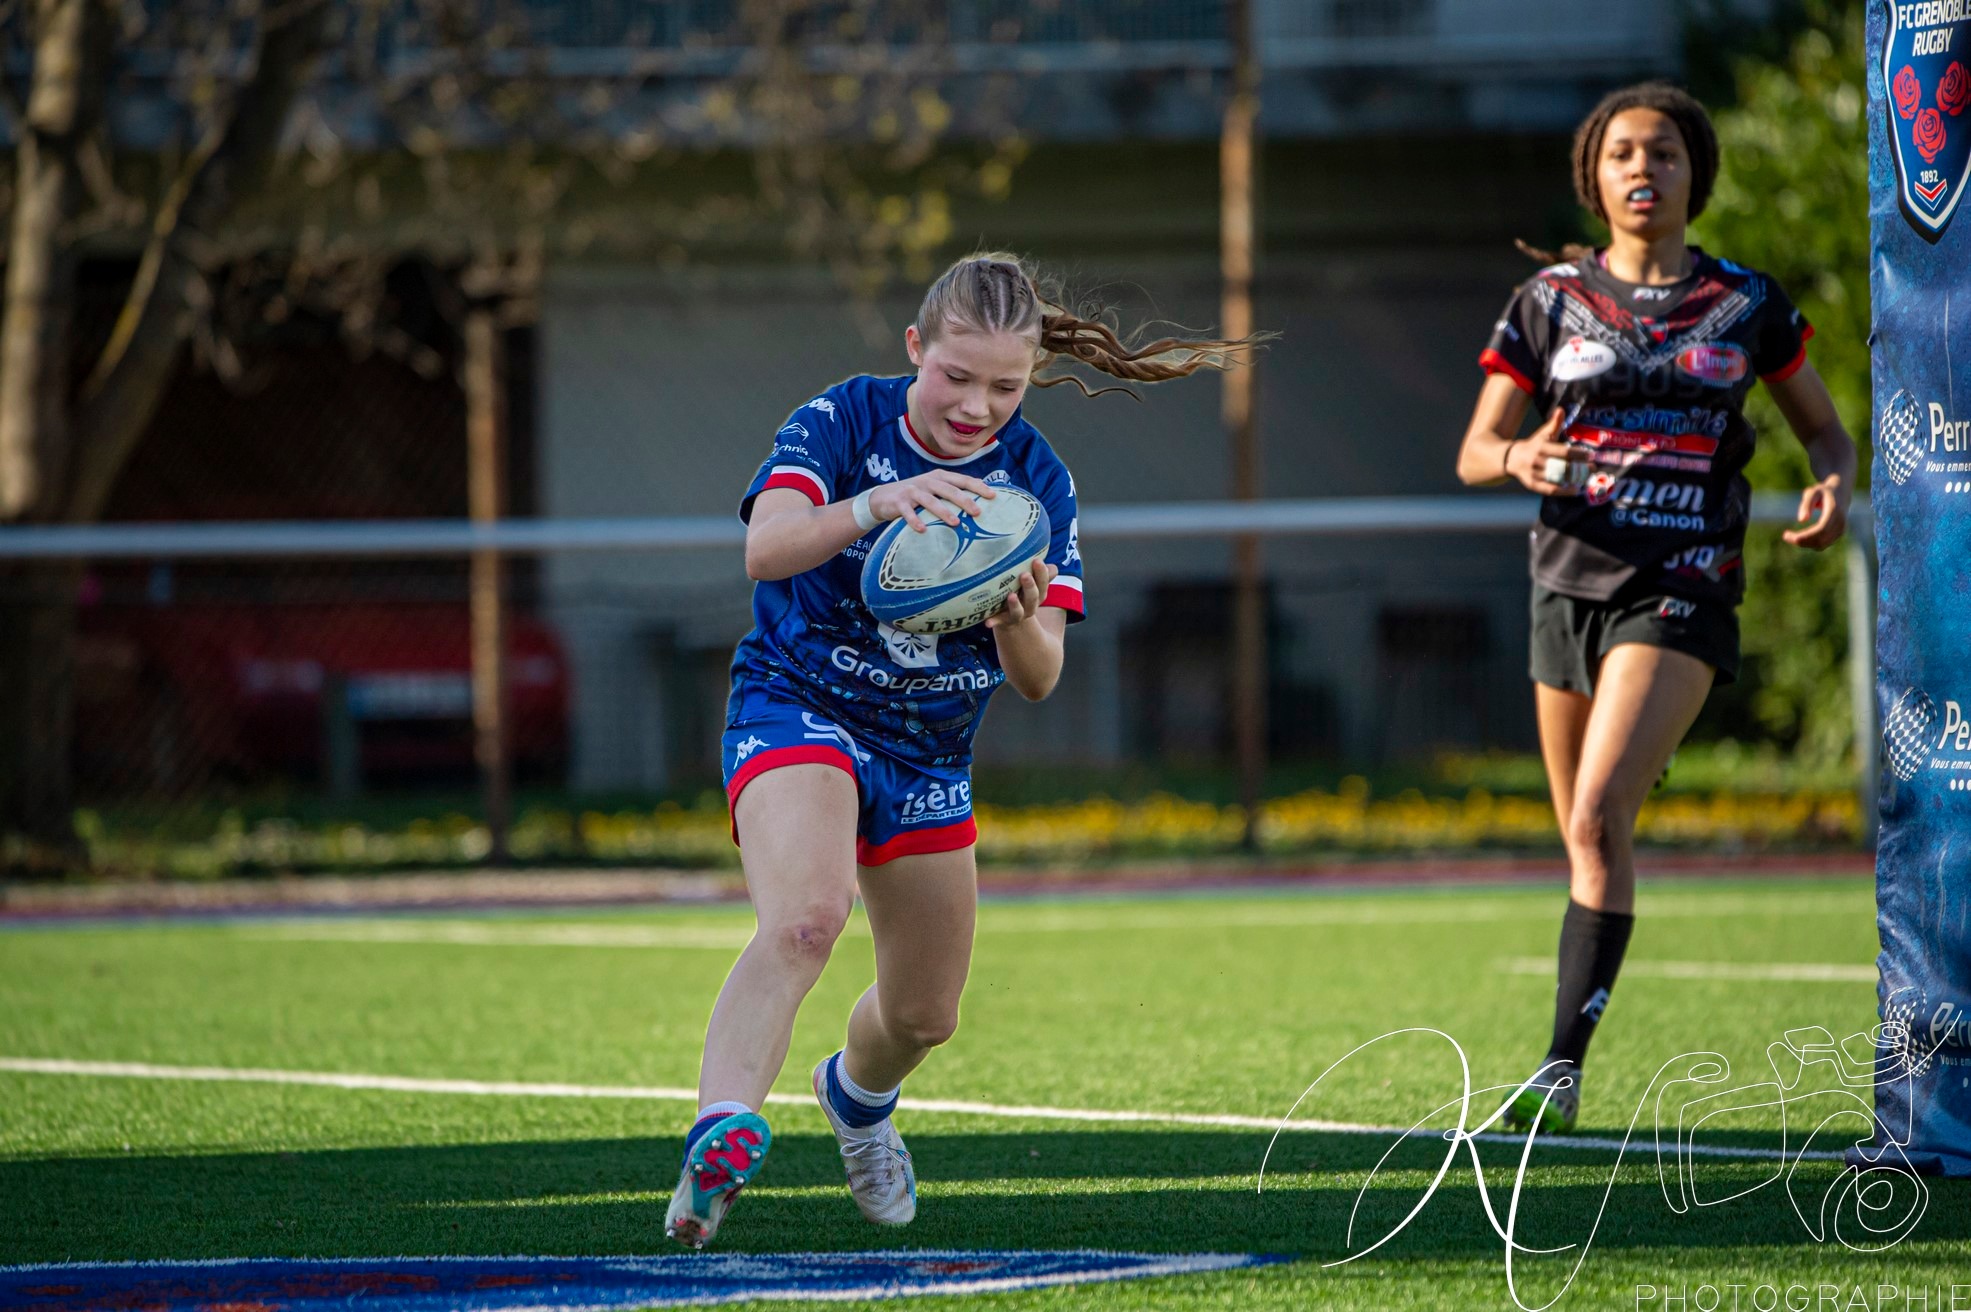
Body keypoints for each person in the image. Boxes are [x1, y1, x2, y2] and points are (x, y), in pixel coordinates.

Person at [667, 252, 1257, 1247]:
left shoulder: (1035, 482)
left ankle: (856, 1100)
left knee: (924, 1015)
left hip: (929, 751)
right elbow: (765, 550)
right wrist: (873, 505)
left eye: (1005, 385)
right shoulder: (844, 419)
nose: (977, 405)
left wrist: (1017, 612)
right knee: (808, 918)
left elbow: (1040, 675)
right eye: (957, 376)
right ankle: (721, 1133)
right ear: (915, 349)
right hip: (798, 704)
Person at [1453, 84, 1857, 1133]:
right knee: (1587, 839)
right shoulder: (1546, 300)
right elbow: (1474, 450)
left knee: (1597, 813)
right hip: (1566, 579)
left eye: (1666, 153)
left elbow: (1825, 433)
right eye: (1624, 153)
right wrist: (1517, 453)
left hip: (1682, 580)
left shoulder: (1746, 302)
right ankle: (1566, 1063)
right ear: (1594, 177)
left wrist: (1835, 480)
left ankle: (1558, 1068)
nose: (1645, 169)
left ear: (1695, 174)